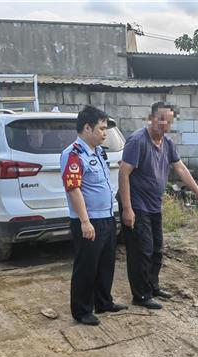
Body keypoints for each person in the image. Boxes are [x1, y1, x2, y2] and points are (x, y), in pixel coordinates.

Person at [118, 102, 198, 310]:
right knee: (141, 250)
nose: (164, 124)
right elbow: (123, 173)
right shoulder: (137, 141)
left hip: (154, 204)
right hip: (136, 203)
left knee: (157, 249)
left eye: (168, 121)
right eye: (161, 119)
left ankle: (152, 286)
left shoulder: (168, 143)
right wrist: (127, 208)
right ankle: (141, 295)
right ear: (151, 118)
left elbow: (180, 168)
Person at [60, 106, 127, 326]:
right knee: (87, 266)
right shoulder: (73, 154)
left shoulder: (98, 151)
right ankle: (82, 309)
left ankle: (103, 301)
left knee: (106, 263)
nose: (105, 133)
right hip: (90, 220)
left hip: (106, 217)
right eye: (101, 128)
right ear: (87, 128)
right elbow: (73, 189)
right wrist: (85, 221)